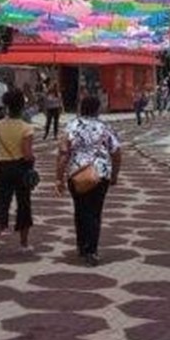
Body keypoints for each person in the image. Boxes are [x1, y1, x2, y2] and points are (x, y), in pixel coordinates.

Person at [55, 94, 122, 267]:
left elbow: (63, 154)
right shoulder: (105, 127)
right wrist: (114, 174)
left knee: (80, 209)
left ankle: (82, 245)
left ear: (81, 108)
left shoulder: (71, 126)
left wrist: (59, 178)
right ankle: (92, 250)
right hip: (100, 174)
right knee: (95, 212)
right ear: (97, 109)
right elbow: (116, 152)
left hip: (76, 174)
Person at [0, 90, 35, 261]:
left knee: (0, 203)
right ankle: (23, 244)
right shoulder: (26, 127)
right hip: (21, 168)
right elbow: (28, 154)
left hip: (1, 167)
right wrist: (31, 162)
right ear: (22, 107)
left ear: (6, 106)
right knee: (23, 203)